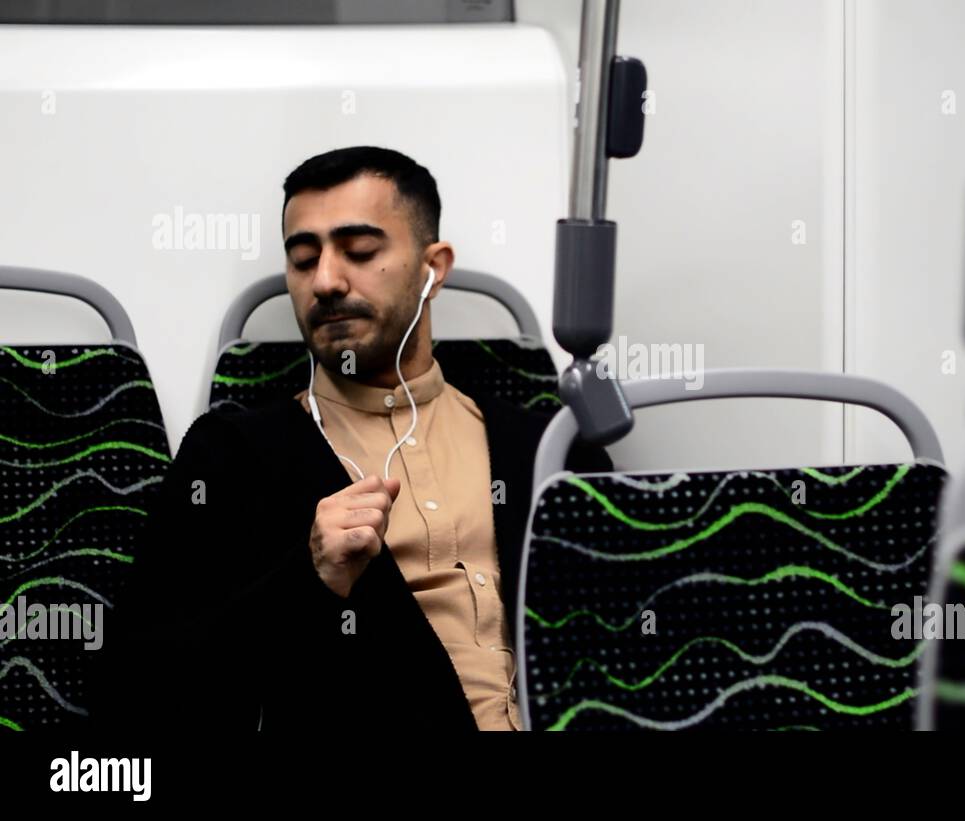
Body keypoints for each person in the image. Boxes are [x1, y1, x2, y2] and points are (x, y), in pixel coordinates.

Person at [95, 146, 610, 731]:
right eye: (303, 259)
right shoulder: (233, 456)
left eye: (360, 251)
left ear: (432, 268)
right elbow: (139, 690)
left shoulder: (547, 448)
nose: (327, 281)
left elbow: (633, 640)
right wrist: (311, 578)